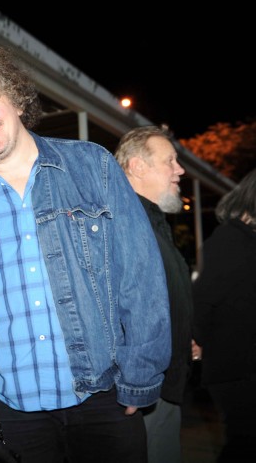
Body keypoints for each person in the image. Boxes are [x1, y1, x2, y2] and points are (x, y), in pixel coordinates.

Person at [0, 43, 171, 462]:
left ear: (17, 101)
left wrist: (140, 377)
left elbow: (142, 276)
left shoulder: (91, 166)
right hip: (14, 413)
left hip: (103, 398)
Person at [114, 126, 194, 463]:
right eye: (170, 161)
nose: (180, 170)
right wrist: (135, 379)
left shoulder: (153, 222)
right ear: (137, 166)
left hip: (163, 387)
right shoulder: (123, 224)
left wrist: (185, 335)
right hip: (141, 392)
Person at [192, 167, 256, 462]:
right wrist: (196, 339)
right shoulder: (231, 239)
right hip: (236, 369)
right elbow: (203, 300)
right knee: (243, 443)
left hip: (243, 365)